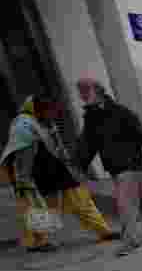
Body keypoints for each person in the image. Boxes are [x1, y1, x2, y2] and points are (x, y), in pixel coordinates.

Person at [1, 95, 117, 253]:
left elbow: (57, 147)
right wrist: (23, 179)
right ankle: (38, 242)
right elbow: (22, 153)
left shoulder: (45, 122)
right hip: (33, 172)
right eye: (49, 111)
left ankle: (104, 231)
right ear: (38, 110)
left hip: (54, 168)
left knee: (80, 199)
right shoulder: (23, 124)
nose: (52, 114)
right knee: (40, 208)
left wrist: (66, 159)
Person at [74, 78, 142, 256]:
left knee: (125, 204)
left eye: (85, 91)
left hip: (130, 165)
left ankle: (131, 240)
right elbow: (87, 145)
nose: (82, 95)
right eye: (80, 91)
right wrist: (78, 165)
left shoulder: (120, 112)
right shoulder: (91, 117)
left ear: (98, 92)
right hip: (115, 167)